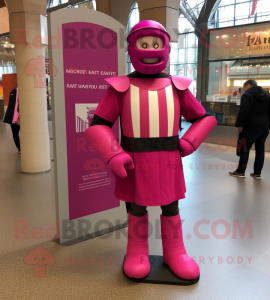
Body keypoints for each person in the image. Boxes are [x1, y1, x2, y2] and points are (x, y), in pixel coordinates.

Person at [85, 20, 217, 280]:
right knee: (136, 206)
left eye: (155, 44)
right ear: (132, 48)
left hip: (168, 158)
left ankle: (176, 252)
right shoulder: (120, 87)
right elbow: (99, 123)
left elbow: (204, 117)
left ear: (166, 47)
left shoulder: (177, 86)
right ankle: (136, 251)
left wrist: (190, 140)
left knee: (171, 206)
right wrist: (113, 153)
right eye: (143, 44)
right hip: (134, 160)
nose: (149, 49)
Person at [229, 80, 270, 179]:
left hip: (250, 126)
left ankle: (240, 172)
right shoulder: (267, 95)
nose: (244, 89)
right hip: (264, 127)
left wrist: (239, 125)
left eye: (244, 87)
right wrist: (268, 124)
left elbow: (243, 112)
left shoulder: (247, 95)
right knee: (260, 150)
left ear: (248, 85)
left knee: (244, 150)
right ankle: (257, 173)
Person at [3, 85, 21, 153]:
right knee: (15, 133)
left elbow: (11, 105)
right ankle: (20, 148)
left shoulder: (13, 91)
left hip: (14, 117)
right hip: (17, 117)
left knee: (15, 133)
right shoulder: (20, 92)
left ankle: (20, 149)